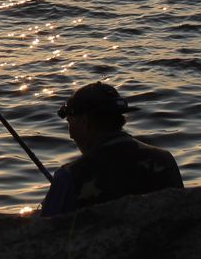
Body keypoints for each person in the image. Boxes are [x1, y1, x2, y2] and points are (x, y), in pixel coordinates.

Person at [39, 81, 183, 217]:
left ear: (85, 122)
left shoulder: (69, 177)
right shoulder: (165, 160)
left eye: (70, 122)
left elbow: (45, 231)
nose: (70, 135)